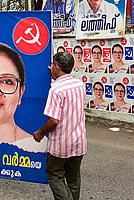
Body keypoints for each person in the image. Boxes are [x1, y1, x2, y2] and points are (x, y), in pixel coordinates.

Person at [33, 52, 87, 200]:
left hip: (61, 146)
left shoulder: (56, 91)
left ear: (56, 67)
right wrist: (55, 77)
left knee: (55, 176)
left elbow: (53, 120)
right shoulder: (79, 85)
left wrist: (40, 132)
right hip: (79, 143)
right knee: (73, 180)